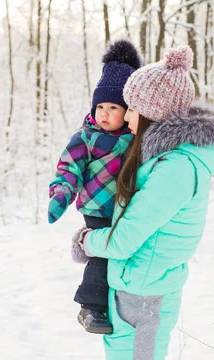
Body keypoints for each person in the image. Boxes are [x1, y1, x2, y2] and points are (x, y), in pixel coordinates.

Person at [71, 46, 214, 359]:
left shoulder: (174, 169)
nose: (125, 116)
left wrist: (87, 241)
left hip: (142, 291)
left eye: (132, 109)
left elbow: (125, 240)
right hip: (137, 284)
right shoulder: (165, 162)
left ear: (152, 113)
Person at [48, 40, 143, 334]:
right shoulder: (86, 137)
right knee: (102, 254)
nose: (104, 113)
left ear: (127, 111)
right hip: (96, 206)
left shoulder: (134, 138)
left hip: (124, 208)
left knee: (122, 253)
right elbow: (69, 167)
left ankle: (118, 302)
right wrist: (61, 193)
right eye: (100, 106)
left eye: (113, 107)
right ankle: (91, 307)